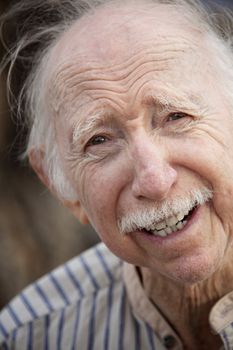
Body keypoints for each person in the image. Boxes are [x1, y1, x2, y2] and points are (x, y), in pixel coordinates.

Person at [1, 0, 233, 348]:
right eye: (99, 141)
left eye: (176, 117)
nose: (154, 181)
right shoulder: (29, 336)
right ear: (61, 186)